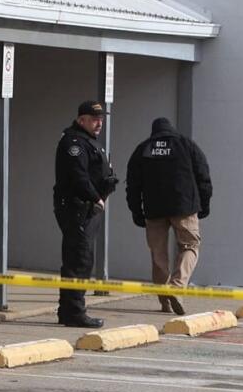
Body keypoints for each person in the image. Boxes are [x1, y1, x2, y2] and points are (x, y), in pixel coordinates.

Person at [126, 117, 212, 315]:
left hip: (154, 210)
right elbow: (203, 176)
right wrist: (204, 204)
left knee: (158, 255)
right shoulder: (186, 145)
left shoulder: (143, 149)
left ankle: (164, 302)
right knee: (190, 246)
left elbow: (133, 185)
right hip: (184, 207)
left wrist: (136, 211)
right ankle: (177, 287)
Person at [53, 101, 118, 328]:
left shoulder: (89, 141)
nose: (99, 123)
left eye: (101, 119)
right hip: (76, 208)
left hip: (88, 209)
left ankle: (68, 310)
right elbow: (78, 176)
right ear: (82, 120)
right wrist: (96, 197)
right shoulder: (74, 143)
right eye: (93, 119)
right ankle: (74, 313)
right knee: (78, 259)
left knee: (83, 257)